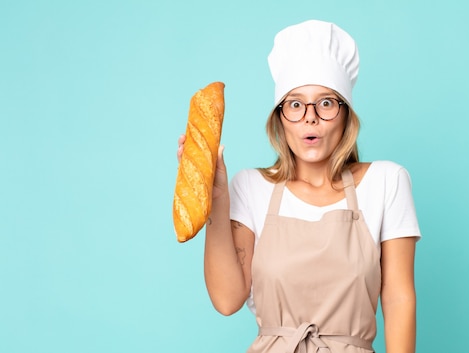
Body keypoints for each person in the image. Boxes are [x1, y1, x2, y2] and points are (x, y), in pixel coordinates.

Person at [177, 19, 421, 353]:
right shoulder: (250, 186)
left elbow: (398, 298)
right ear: (279, 118)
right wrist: (216, 199)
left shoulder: (386, 182)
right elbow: (227, 299)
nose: (310, 117)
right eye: (295, 104)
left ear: (346, 114)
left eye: (325, 103)